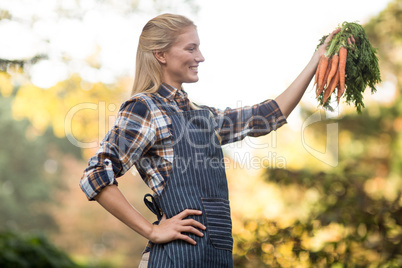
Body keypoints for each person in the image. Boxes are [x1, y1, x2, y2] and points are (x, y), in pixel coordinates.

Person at [80, 13, 341, 267]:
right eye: (191, 48)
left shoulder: (203, 117)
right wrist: (152, 231)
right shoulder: (144, 108)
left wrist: (316, 60)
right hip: (174, 259)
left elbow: (267, 116)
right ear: (161, 55)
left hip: (214, 258)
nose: (200, 57)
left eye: (199, 48)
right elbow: (95, 175)